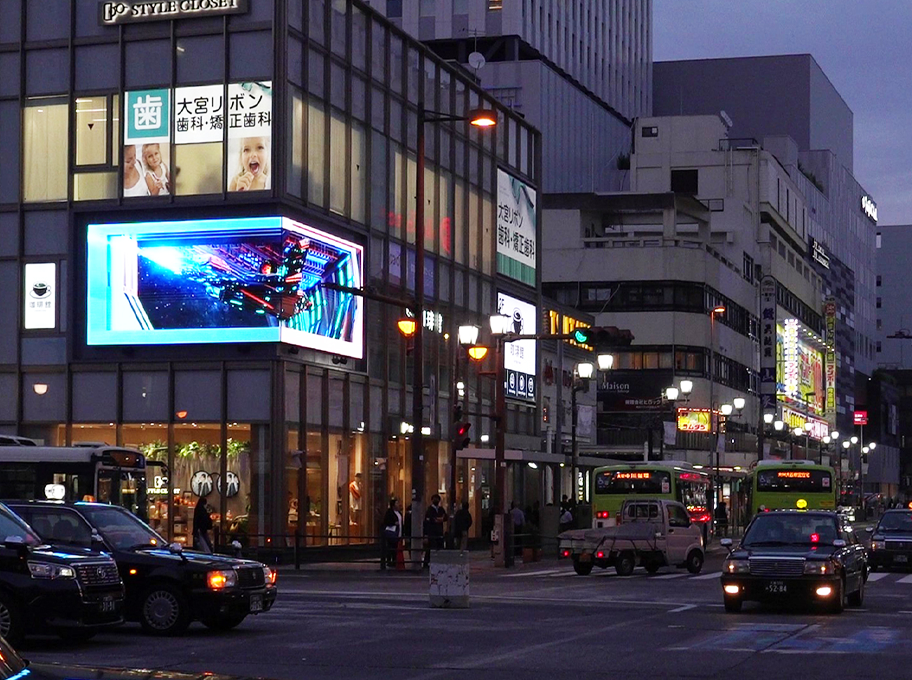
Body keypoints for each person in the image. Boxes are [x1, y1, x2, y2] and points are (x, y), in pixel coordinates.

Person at [423, 494, 447, 567]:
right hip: (432, 532)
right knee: (431, 548)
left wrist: (442, 519)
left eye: (437, 499)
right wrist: (426, 534)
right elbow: (428, 520)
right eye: (435, 499)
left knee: (440, 547)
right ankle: (426, 563)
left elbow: (445, 517)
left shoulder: (441, 509)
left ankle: (438, 562)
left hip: (439, 531)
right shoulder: (429, 510)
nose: (436, 501)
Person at [381, 498, 402, 568]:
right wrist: (393, 523)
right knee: (391, 547)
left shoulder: (399, 513)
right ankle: (390, 561)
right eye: (396, 503)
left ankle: (394, 561)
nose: (398, 505)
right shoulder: (389, 512)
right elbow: (386, 521)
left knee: (395, 547)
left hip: (398, 532)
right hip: (391, 532)